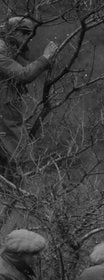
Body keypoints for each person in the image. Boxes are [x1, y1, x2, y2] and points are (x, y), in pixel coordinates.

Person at [0, 16, 58, 178]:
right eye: (23, 33)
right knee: (13, 158)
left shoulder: (11, 49)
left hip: (8, 113)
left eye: (29, 34)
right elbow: (24, 75)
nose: (27, 38)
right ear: (11, 31)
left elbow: (24, 66)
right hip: (4, 117)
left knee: (12, 157)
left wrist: (46, 62)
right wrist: (45, 57)